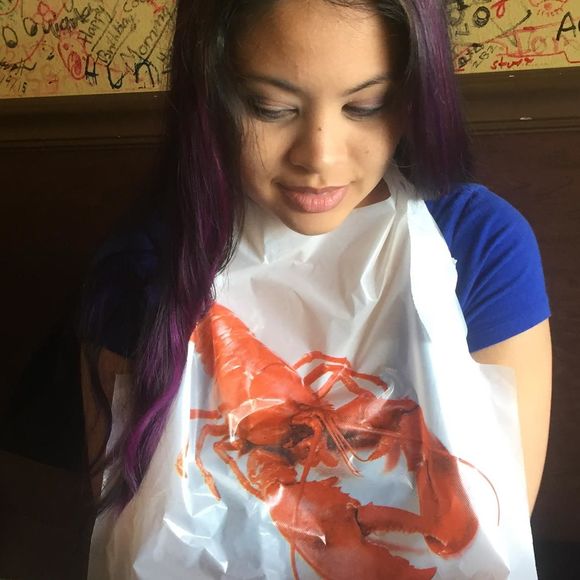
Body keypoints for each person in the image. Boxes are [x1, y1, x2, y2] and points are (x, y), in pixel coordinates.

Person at [81, 0, 552, 577]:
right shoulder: (140, 266)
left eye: (366, 106)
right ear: (213, 93)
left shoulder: (481, 245)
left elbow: (497, 524)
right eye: (271, 107)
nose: (319, 157)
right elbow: (129, 522)